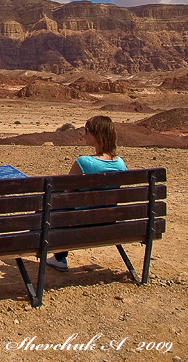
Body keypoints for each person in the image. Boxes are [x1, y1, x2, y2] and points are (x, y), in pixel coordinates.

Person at [46, 114, 126, 272]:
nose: (84, 134)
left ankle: (59, 257)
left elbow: (66, 191)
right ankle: (58, 257)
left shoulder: (84, 162)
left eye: (87, 130)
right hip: (108, 222)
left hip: (81, 223)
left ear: (97, 135)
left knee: (51, 204)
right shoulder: (120, 163)